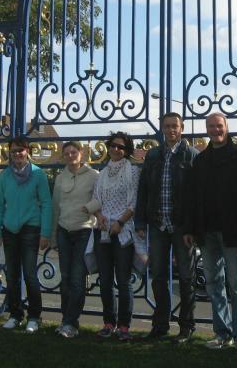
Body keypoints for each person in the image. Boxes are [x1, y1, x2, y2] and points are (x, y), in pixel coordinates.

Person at [182, 113, 237, 354]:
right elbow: (192, 197)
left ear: (226, 127)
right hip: (207, 231)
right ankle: (222, 333)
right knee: (213, 284)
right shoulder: (201, 160)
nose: (215, 130)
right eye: (211, 126)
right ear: (207, 129)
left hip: (234, 230)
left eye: (219, 126)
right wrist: (190, 228)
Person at [135, 112, 199, 342]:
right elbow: (143, 189)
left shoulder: (191, 155)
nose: (171, 130)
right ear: (162, 129)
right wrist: (140, 221)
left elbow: (197, 196)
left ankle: (186, 327)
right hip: (157, 224)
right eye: (167, 126)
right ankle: (160, 325)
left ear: (182, 128)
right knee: (159, 277)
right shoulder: (153, 155)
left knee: (187, 278)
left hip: (182, 226)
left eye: (175, 126)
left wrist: (192, 227)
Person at [0, 135, 53, 333]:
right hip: (10, 230)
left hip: (30, 229)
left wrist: (45, 233)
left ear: (28, 151)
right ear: (10, 153)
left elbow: (46, 203)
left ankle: (34, 317)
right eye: (14, 151)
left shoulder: (38, 174)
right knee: (12, 275)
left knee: (30, 275)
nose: (17, 154)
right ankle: (15, 314)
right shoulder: (5, 176)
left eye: (21, 150)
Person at [86, 132, 140, 342]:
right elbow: (96, 199)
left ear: (127, 151)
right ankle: (109, 323)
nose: (116, 149)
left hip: (123, 231)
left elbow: (134, 202)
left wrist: (120, 222)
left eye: (121, 147)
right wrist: (99, 216)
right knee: (106, 280)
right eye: (113, 146)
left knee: (123, 280)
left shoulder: (132, 172)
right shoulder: (102, 173)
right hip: (103, 231)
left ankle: (124, 326)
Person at [51, 141, 99, 338]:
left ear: (81, 153)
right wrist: (53, 236)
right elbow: (56, 207)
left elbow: (100, 199)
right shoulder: (60, 177)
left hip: (84, 231)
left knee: (77, 279)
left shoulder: (94, 175)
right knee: (66, 278)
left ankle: (71, 323)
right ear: (63, 156)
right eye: (67, 153)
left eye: (74, 152)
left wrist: (89, 208)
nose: (70, 156)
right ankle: (65, 320)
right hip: (64, 230)